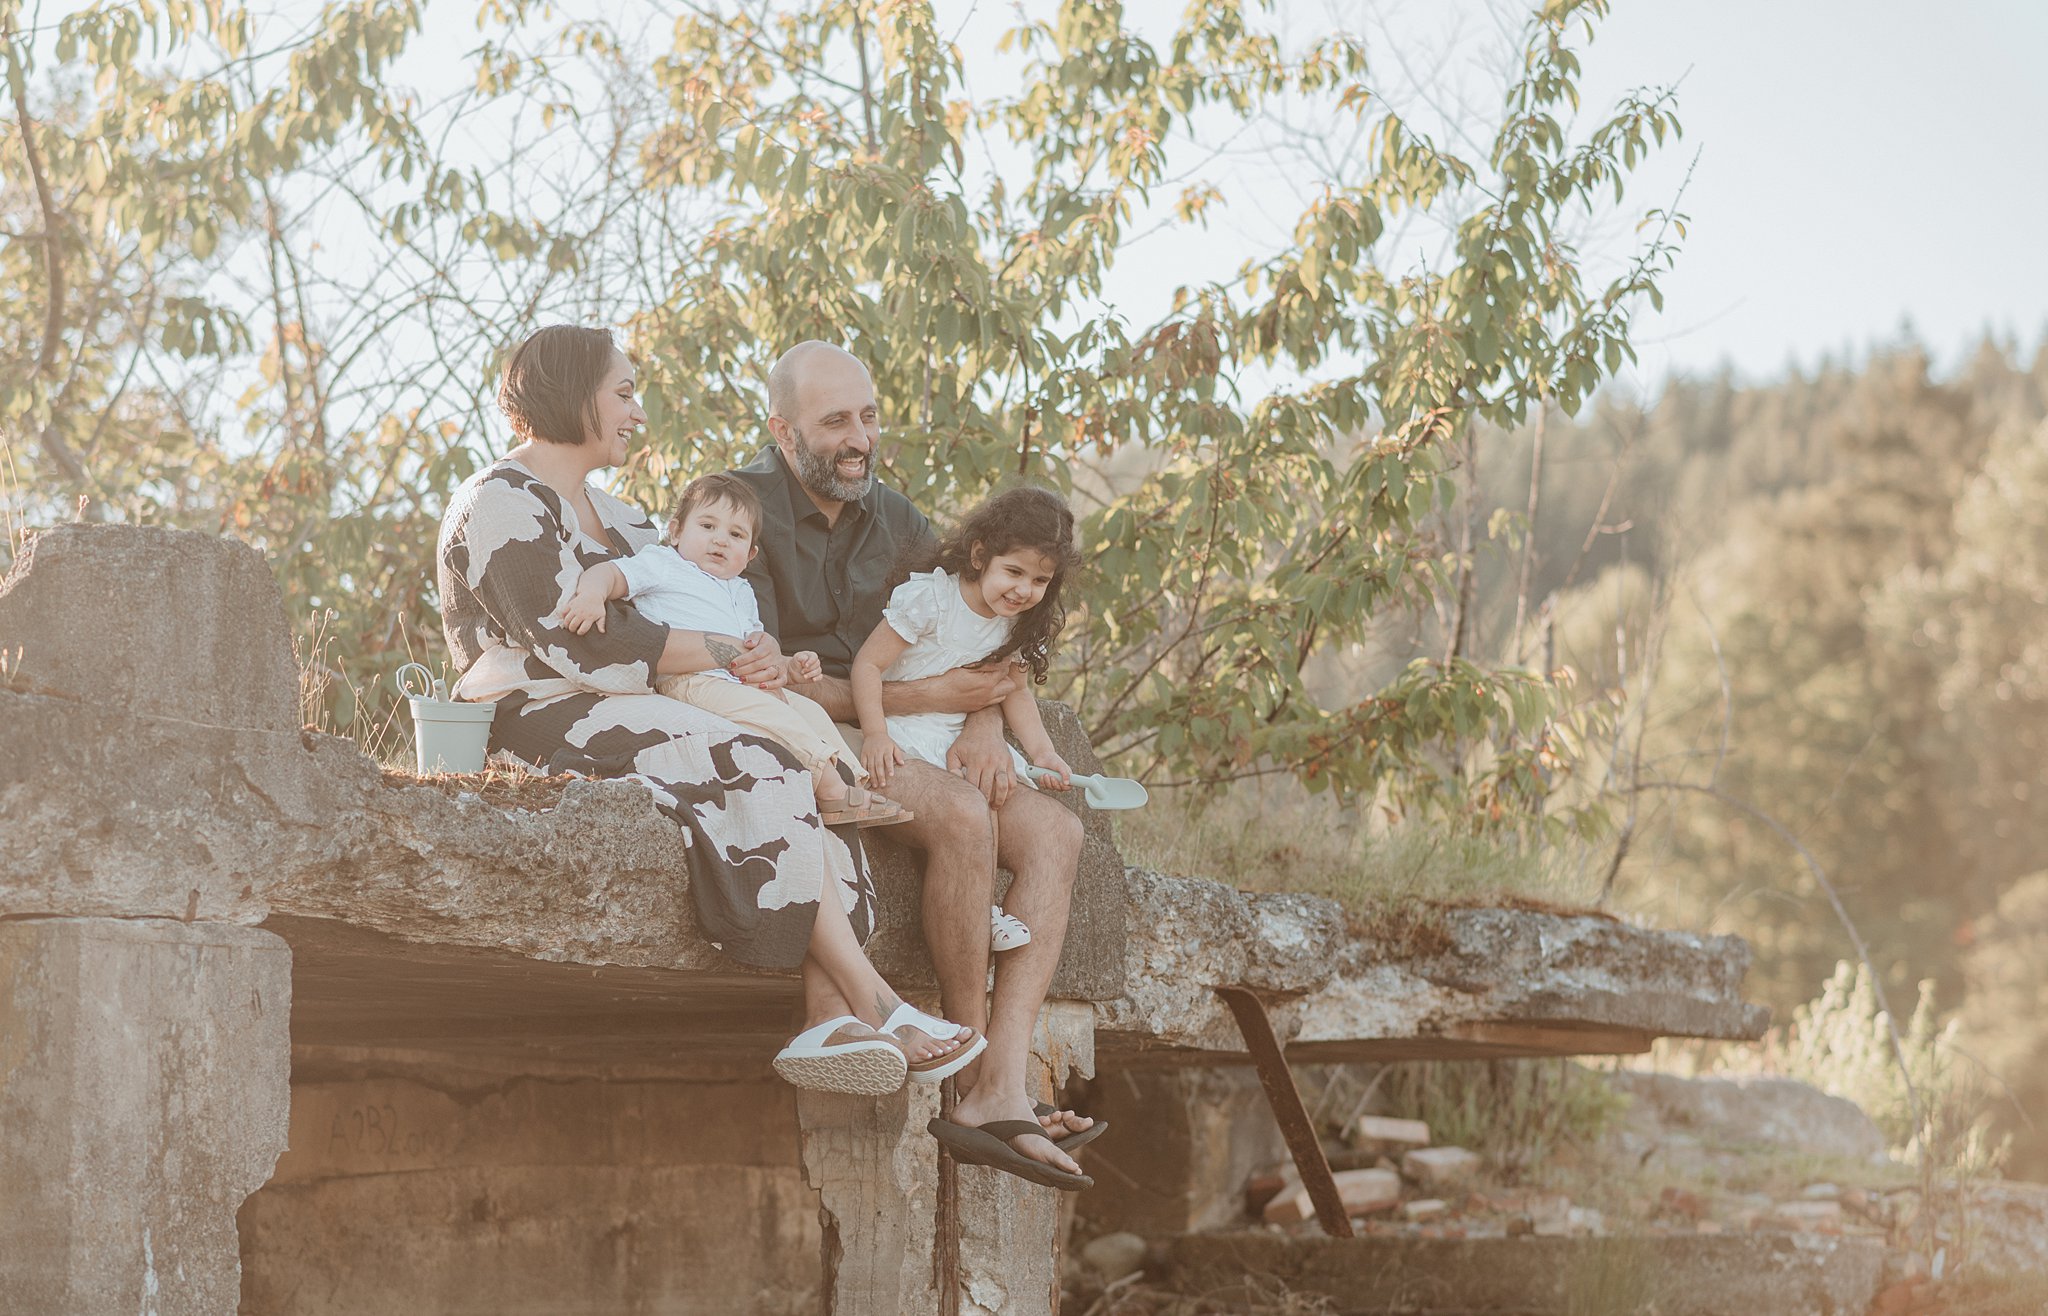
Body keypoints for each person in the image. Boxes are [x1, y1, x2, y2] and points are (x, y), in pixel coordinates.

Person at [436, 324, 980, 1096]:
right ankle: (878, 1001)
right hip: (537, 712)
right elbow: (579, 642)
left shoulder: (622, 518)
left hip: (648, 700)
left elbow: (692, 610)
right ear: (569, 393)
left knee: (800, 753)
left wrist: (753, 655)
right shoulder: (498, 499)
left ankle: (832, 1020)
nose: (638, 412)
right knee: (759, 760)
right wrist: (722, 652)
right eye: (623, 393)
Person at [731, 340, 1102, 1191]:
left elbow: (976, 622)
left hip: (919, 729)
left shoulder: (896, 516)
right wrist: (930, 702)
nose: (860, 437)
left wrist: (978, 714)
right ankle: (973, 1082)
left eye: (868, 415)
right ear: (783, 430)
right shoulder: (736, 510)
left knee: (1057, 833)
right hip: (825, 736)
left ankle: (1004, 1080)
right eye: (836, 422)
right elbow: (759, 680)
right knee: (967, 818)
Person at [558, 470, 907, 828]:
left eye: (735, 534)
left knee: (809, 711)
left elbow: (756, 650)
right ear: (676, 531)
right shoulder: (665, 564)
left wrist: (789, 666)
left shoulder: (741, 591)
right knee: (776, 718)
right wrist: (591, 595)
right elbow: (611, 574)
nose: (720, 541)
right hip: (691, 680)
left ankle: (853, 781)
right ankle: (832, 793)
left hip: (742, 685)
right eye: (707, 526)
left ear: (750, 553)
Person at [850, 487, 1082, 952]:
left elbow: (1015, 690)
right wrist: (874, 734)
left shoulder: (1013, 622)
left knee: (990, 784)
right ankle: (983, 911)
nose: (1023, 590)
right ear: (980, 555)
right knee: (968, 803)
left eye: (1038, 581)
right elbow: (867, 666)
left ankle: (984, 908)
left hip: (953, 733)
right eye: (1013, 572)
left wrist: (1043, 752)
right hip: (907, 731)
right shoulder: (931, 600)